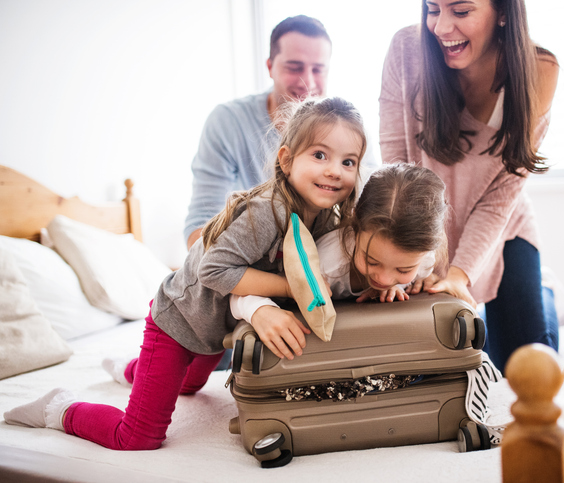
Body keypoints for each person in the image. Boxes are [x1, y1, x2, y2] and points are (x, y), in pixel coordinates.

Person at [2, 96, 367, 450]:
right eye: (320, 155)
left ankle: (131, 370)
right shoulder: (266, 211)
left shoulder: (324, 219)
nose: (335, 170)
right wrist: (292, 287)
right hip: (176, 323)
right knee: (138, 438)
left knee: (189, 387)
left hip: (215, 330)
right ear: (286, 160)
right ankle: (59, 408)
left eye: (348, 161)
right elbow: (215, 270)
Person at [378, 0, 560, 371]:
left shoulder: (538, 70)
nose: (442, 27)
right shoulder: (406, 50)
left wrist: (460, 274)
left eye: (461, 12)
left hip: (502, 228)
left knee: (524, 364)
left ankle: (545, 290)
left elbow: (500, 198)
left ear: (504, 12)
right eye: (433, 9)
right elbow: (396, 166)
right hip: (427, 225)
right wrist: (416, 256)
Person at [185, 14, 377, 250]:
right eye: (294, 67)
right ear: (270, 67)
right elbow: (200, 228)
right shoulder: (228, 122)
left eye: (318, 69)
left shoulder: (350, 130)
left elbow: (372, 209)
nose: (307, 81)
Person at [229, 163, 449, 333]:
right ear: (355, 226)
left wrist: (398, 288)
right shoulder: (325, 263)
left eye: (403, 270)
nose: (383, 278)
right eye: (372, 261)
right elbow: (239, 290)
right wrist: (258, 310)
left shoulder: (424, 260)